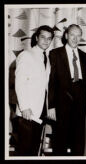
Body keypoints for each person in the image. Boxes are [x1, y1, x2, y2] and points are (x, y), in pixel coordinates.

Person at [48, 24, 86, 156]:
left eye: (78, 35)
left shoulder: (85, 56)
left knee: (79, 142)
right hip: (61, 104)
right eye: (72, 34)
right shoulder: (55, 54)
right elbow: (51, 82)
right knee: (60, 142)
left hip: (80, 104)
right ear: (66, 35)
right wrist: (51, 106)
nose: (75, 38)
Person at [15, 25, 54, 156]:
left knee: (33, 150)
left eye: (49, 38)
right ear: (36, 37)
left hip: (40, 112)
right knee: (24, 151)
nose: (46, 41)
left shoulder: (47, 58)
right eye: (43, 37)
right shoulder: (26, 55)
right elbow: (19, 82)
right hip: (27, 112)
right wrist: (24, 107)